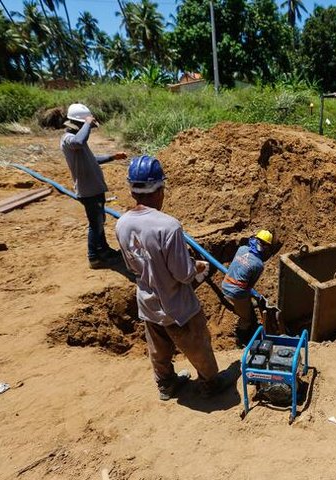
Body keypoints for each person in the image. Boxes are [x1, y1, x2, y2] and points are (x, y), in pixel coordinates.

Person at [115, 155, 236, 401]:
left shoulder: (122, 223)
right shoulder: (168, 226)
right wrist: (197, 267)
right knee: (198, 345)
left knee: (158, 349)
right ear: (159, 189)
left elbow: (132, 265)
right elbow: (182, 274)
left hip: (148, 301)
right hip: (177, 306)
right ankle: (210, 384)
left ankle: (166, 385)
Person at [60, 103, 127, 269]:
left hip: (94, 189)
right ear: (79, 123)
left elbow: (92, 159)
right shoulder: (69, 139)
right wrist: (88, 123)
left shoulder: (77, 142)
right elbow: (79, 141)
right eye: (85, 125)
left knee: (99, 220)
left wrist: (112, 157)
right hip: (88, 191)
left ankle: (103, 250)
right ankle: (94, 257)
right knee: (95, 223)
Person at [221, 230, 273, 338]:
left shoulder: (242, 249)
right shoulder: (258, 264)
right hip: (236, 293)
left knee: (245, 299)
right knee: (246, 318)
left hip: (225, 283)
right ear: (266, 247)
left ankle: (246, 305)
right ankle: (242, 337)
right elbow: (250, 286)